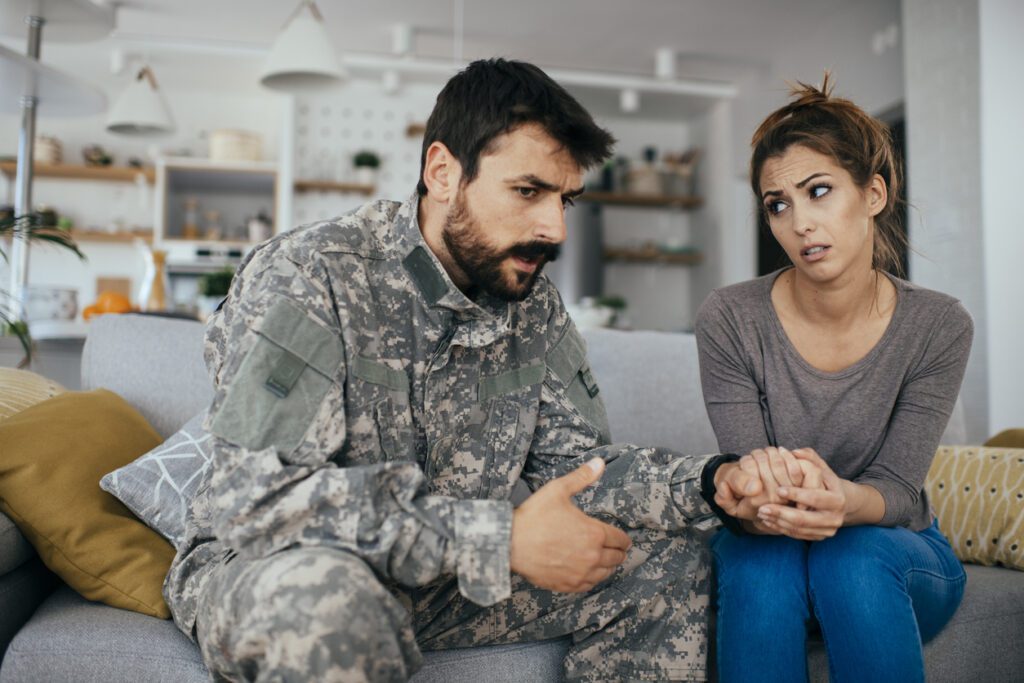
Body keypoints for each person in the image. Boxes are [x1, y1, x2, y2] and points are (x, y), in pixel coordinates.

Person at [165, 58, 756, 683]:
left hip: (445, 581)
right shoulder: (312, 274)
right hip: (282, 570)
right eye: (528, 191)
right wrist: (495, 539)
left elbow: (579, 469)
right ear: (443, 172)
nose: (554, 229)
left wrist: (713, 482)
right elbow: (258, 500)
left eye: (566, 200)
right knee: (328, 596)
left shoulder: (534, 304)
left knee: (664, 562)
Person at [696, 74, 972, 683]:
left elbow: (899, 491)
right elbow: (747, 475)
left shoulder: (939, 324)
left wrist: (842, 503)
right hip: (772, 549)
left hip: (893, 552)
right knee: (761, 561)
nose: (799, 223)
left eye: (819, 191)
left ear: (873, 194)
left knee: (850, 555)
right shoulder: (730, 316)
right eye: (779, 204)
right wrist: (752, 495)